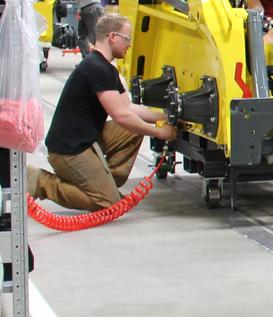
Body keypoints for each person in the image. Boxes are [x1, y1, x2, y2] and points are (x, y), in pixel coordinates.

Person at [31, 12, 176, 212]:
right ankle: (41, 182)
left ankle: (106, 183)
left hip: (85, 140)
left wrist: (167, 118)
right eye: (127, 38)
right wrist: (159, 132)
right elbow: (120, 115)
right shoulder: (96, 68)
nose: (129, 45)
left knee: (133, 129)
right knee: (108, 204)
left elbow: (128, 108)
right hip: (69, 151)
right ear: (112, 37)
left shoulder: (105, 67)